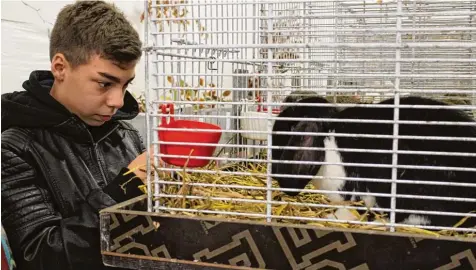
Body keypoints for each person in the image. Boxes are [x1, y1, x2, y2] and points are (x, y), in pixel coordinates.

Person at [1, 1, 152, 269]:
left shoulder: (125, 134)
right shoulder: (15, 148)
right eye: (105, 83)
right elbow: (41, 256)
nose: (118, 101)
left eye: (125, 84)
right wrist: (124, 189)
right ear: (60, 67)